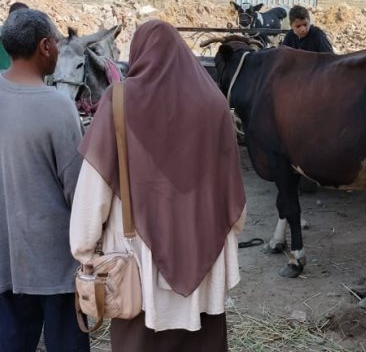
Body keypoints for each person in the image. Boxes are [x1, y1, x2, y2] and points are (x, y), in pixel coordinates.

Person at [70, 20, 247, 352]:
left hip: (139, 257)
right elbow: (233, 185)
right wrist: (231, 226)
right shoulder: (214, 102)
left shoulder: (119, 101)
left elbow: (95, 186)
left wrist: (83, 248)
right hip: (204, 245)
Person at [0, 9, 89, 351]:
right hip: (55, 262)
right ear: (45, 46)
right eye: (57, 44)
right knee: (67, 341)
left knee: (15, 340)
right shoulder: (58, 107)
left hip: (4, 252)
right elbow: (76, 191)